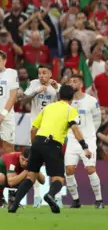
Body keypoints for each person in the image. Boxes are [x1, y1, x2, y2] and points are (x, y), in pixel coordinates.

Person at [9, 85, 93, 214]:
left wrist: (34, 145)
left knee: (31, 176)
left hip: (37, 141)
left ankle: (13, 205)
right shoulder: (71, 110)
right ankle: (50, 195)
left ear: (58, 96)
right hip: (53, 144)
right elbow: (75, 129)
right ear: (72, 97)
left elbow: (33, 128)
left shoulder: (48, 107)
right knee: (58, 178)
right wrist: (85, 147)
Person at [18, 64, 62, 207]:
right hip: (36, 128)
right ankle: (37, 196)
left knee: (54, 163)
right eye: (39, 73)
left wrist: (56, 90)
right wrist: (36, 91)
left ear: (50, 74)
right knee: (34, 164)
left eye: (44, 73)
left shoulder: (57, 87)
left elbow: (65, 105)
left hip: (51, 129)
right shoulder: (33, 84)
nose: (41, 76)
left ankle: (57, 196)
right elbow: (23, 101)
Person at [65, 74, 104, 209]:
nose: (71, 83)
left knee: (90, 168)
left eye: (74, 81)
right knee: (69, 170)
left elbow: (97, 119)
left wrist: (90, 132)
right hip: (72, 140)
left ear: (81, 85)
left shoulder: (92, 101)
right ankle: (76, 201)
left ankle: (99, 200)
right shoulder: (66, 102)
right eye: (70, 81)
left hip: (88, 140)